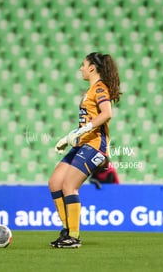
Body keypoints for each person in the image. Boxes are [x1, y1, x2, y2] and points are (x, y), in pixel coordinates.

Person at [48, 52, 121, 248]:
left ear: (92, 68)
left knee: (69, 186)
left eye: (83, 65)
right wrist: (69, 137)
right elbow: (88, 119)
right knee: (55, 182)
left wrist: (84, 130)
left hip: (95, 146)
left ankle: (73, 236)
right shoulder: (90, 91)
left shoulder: (99, 89)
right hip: (83, 143)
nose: (81, 68)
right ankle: (66, 229)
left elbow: (106, 114)